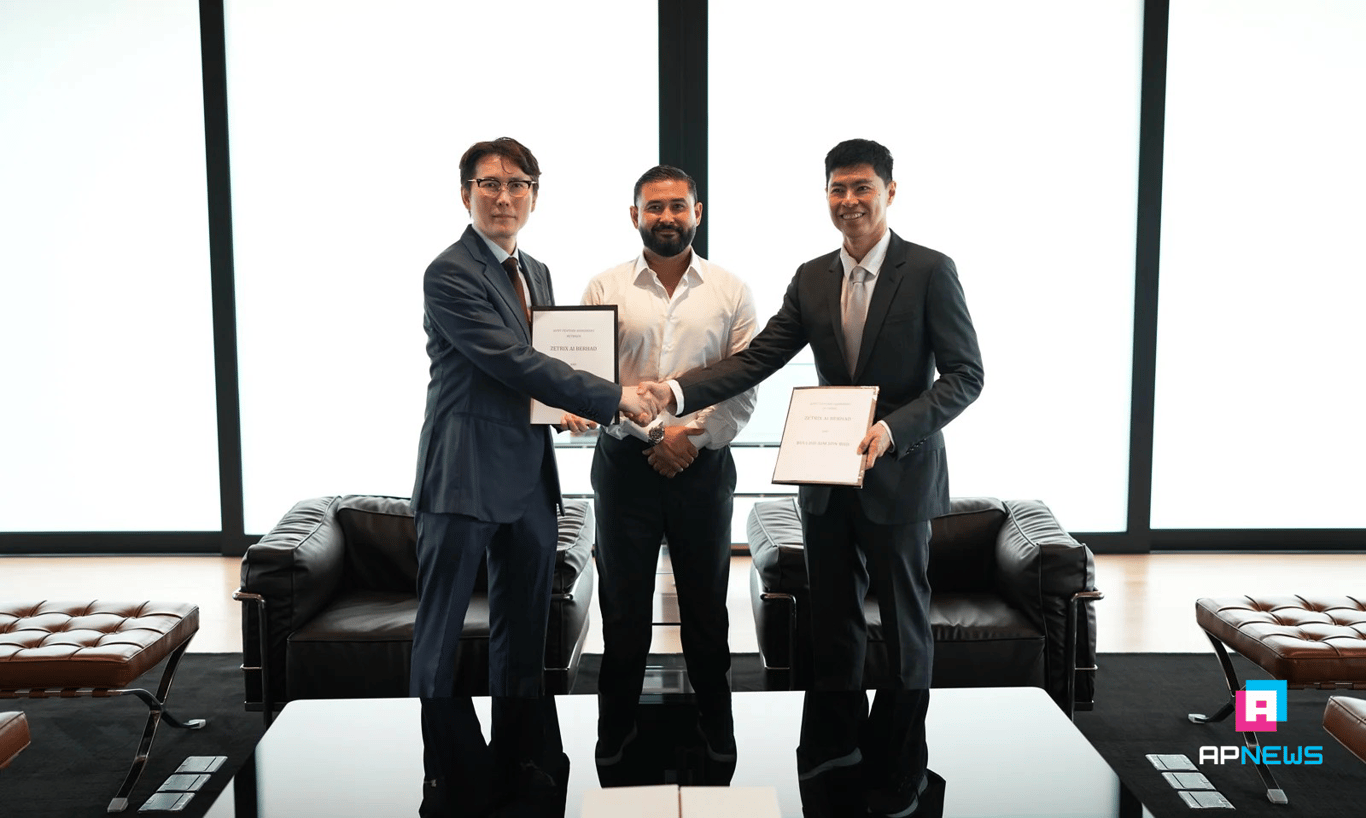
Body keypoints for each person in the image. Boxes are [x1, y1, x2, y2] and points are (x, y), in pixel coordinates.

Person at [639, 138, 983, 816]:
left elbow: (966, 375)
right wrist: (676, 392)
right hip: (825, 477)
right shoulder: (812, 277)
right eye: (837, 189)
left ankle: (902, 772)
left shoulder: (929, 270)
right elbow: (759, 357)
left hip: (899, 472)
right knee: (833, 624)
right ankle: (833, 759)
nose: (849, 201)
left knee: (905, 623)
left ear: (889, 192)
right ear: (826, 195)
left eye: (862, 188)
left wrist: (895, 429)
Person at [410, 137, 658, 702]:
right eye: (490, 184)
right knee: (440, 637)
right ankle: (435, 751)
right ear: (466, 195)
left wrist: (562, 409)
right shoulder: (448, 272)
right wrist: (613, 396)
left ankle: (520, 749)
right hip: (463, 476)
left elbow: (536, 366)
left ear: (534, 196)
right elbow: (512, 359)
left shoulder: (536, 271)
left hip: (528, 478)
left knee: (524, 638)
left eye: (517, 185)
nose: (504, 197)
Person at [561, 165, 757, 774]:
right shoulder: (603, 286)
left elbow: (745, 383)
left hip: (704, 465)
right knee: (623, 609)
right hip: (625, 465)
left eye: (678, 206)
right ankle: (615, 742)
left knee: (707, 609)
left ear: (697, 212)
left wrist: (691, 442)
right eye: (654, 207)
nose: (666, 217)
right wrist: (654, 434)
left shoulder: (730, 290)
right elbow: (589, 380)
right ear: (635, 215)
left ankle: (717, 736)